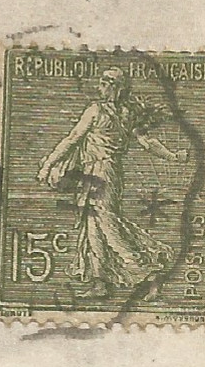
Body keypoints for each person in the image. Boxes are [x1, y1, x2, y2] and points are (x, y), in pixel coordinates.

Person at [37, 66, 187, 300]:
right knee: (93, 226)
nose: (101, 86)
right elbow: (147, 142)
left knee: (107, 225)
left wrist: (48, 164)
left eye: (106, 82)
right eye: (102, 81)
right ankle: (100, 282)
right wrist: (173, 156)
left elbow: (73, 138)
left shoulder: (96, 110)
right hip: (104, 173)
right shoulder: (127, 113)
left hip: (100, 173)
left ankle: (150, 273)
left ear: (116, 87)